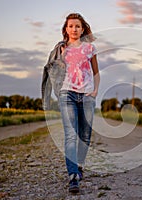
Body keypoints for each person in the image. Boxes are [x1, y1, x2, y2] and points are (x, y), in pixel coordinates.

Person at [42, 13, 100, 193]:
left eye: (77, 26)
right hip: (67, 94)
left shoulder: (90, 48)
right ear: (66, 29)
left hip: (87, 94)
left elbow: (96, 73)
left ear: (83, 29)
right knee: (71, 135)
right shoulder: (60, 49)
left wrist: (95, 90)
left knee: (85, 134)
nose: (74, 29)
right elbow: (52, 71)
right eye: (71, 26)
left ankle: (80, 165)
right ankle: (73, 176)